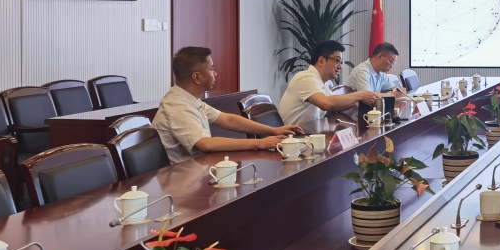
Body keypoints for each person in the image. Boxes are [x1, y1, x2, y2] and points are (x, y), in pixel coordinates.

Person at [153, 47, 303, 164]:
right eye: (211, 69)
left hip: (197, 170)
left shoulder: (189, 99)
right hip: (182, 179)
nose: (215, 74)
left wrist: (273, 130)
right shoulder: (177, 107)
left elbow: (228, 120)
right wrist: (260, 142)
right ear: (197, 77)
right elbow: (205, 144)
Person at [279, 40, 381, 133]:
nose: (340, 66)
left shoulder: (323, 82)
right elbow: (326, 103)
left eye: (341, 62)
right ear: (321, 61)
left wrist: (355, 101)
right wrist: (360, 95)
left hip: (309, 134)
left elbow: (334, 105)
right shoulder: (305, 77)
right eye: (337, 61)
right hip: (291, 139)